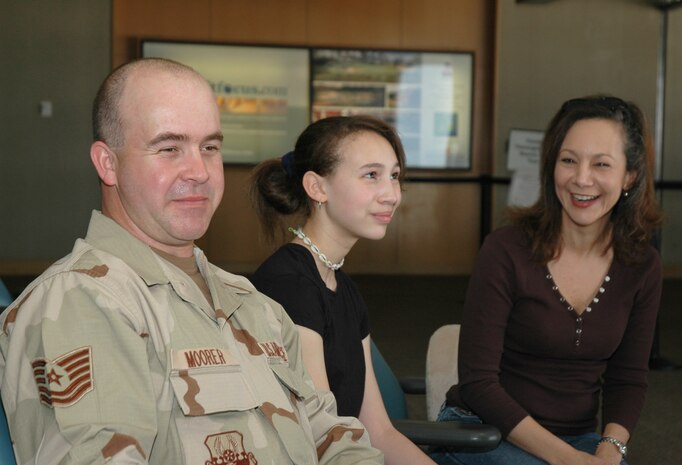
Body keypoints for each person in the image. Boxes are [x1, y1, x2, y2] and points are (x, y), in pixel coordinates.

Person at [0, 58, 385, 465]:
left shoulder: (252, 303)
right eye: (169, 148)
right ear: (107, 163)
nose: (199, 171)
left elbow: (330, 434)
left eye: (210, 148)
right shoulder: (82, 302)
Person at [430, 95, 663, 465]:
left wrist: (608, 453)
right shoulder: (505, 250)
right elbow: (479, 384)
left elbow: (628, 379)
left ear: (629, 176)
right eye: (568, 160)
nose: (581, 178)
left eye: (601, 164)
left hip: (578, 440)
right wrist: (567, 460)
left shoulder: (642, 266)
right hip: (483, 431)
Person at [249, 115, 437, 465]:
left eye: (394, 175)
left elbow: (378, 431)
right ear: (317, 187)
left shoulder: (342, 286)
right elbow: (323, 436)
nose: (392, 194)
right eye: (371, 175)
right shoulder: (290, 287)